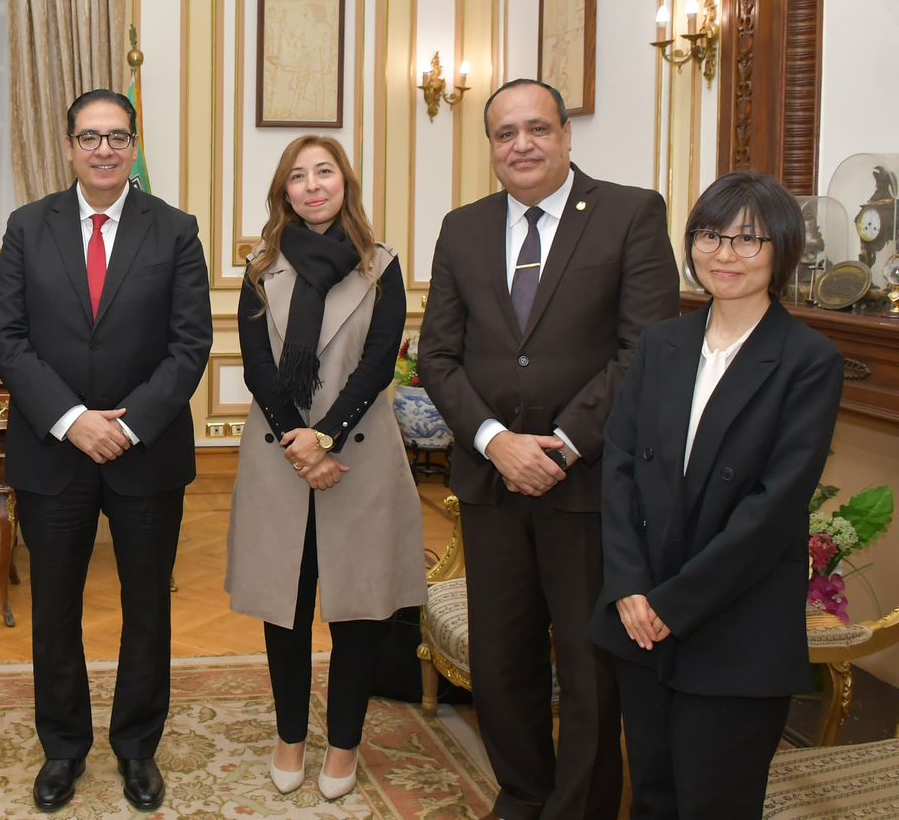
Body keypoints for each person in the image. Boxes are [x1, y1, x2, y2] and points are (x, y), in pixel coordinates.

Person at [419, 79, 679, 820]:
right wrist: (498, 442)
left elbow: (645, 349)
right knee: (502, 663)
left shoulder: (630, 214)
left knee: (591, 664)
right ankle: (523, 794)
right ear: (491, 147)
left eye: (537, 128)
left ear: (567, 135)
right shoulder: (462, 228)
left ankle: (581, 806)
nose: (522, 144)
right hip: (492, 481)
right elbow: (437, 357)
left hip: (591, 483)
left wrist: (563, 445)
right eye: (505, 133)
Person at [0, 88, 212, 814]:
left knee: (147, 607)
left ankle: (138, 747)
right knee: (55, 610)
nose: (105, 149)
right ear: (69, 147)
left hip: (146, 453)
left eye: (118, 137)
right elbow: (8, 339)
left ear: (135, 145)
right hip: (54, 452)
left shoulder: (175, 229)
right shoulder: (28, 226)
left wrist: (127, 424)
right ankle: (63, 748)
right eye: (91, 137)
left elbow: (189, 343)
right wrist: (73, 420)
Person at [592, 172, 843, 819]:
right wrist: (628, 587)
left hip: (735, 626)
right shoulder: (661, 344)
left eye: (747, 240)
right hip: (641, 618)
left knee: (714, 802)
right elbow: (618, 464)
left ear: (782, 250)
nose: (723, 254)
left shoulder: (808, 360)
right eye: (710, 235)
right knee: (652, 795)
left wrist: (673, 603)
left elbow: (774, 506)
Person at [226, 135, 425, 802]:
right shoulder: (261, 267)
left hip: (357, 460)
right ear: (284, 191)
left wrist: (327, 437)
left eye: (325, 172)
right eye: (298, 177)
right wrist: (298, 443)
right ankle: (290, 736)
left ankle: (343, 745)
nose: (312, 186)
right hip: (282, 460)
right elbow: (257, 364)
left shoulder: (381, 266)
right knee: (286, 607)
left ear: (345, 183)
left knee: (358, 611)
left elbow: (376, 362)